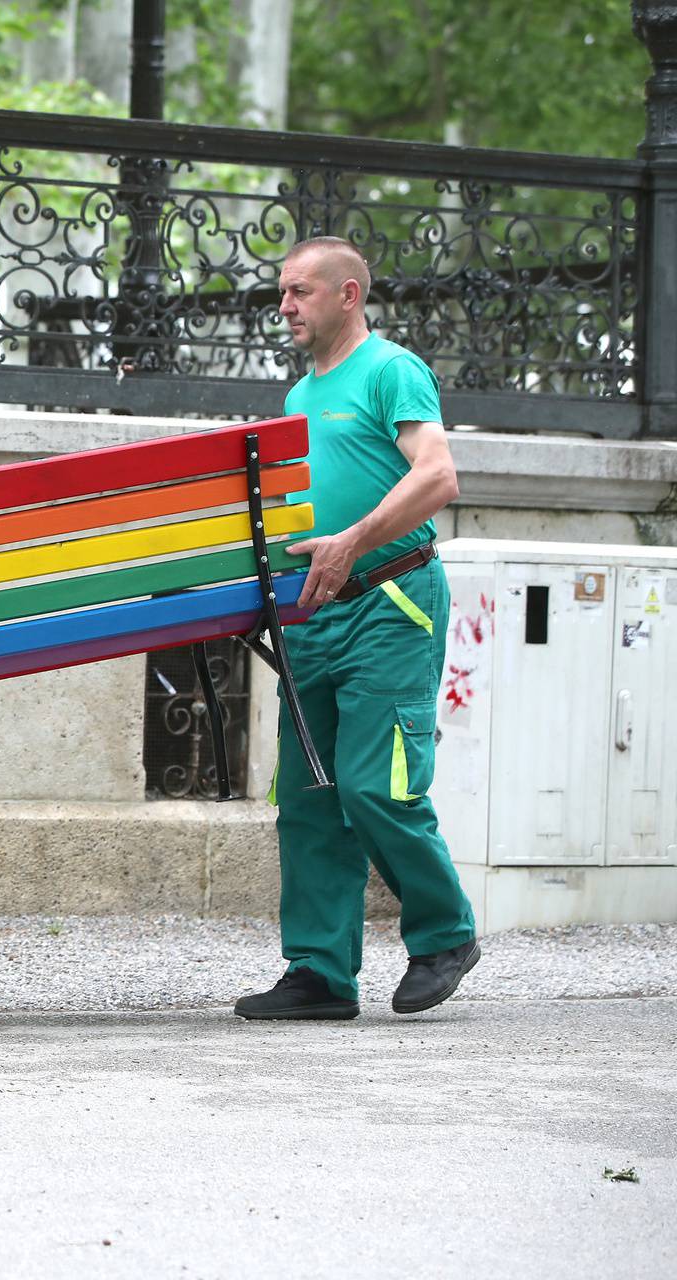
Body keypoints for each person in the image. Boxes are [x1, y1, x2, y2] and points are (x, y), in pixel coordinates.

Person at [235, 235, 479, 1021]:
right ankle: (321, 974)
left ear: (347, 295)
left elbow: (437, 475)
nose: (284, 306)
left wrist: (352, 542)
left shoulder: (391, 371)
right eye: (281, 293)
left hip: (389, 601)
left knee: (377, 784)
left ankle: (446, 933)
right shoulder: (299, 399)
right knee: (309, 796)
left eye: (300, 291)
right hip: (313, 613)